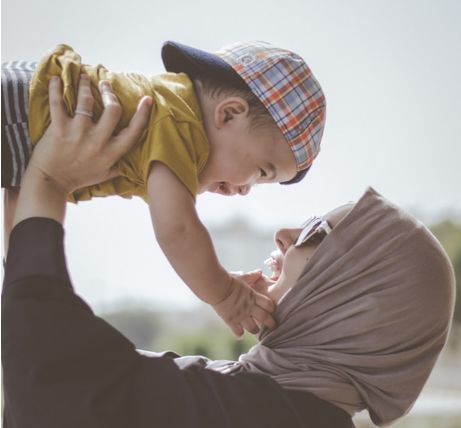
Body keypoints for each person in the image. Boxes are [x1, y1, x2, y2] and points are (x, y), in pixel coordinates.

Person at [2, 76, 455, 428]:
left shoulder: (261, 414)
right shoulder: (279, 409)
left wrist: (49, 182)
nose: (283, 233)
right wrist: (27, 209)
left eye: (316, 233)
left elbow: (54, 383)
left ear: (359, 306)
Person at [1, 40, 326, 337]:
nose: (245, 190)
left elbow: (25, 186)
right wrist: (225, 294)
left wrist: (20, 269)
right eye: (260, 172)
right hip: (17, 109)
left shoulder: (169, 116)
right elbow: (178, 229)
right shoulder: (180, 125)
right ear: (229, 114)